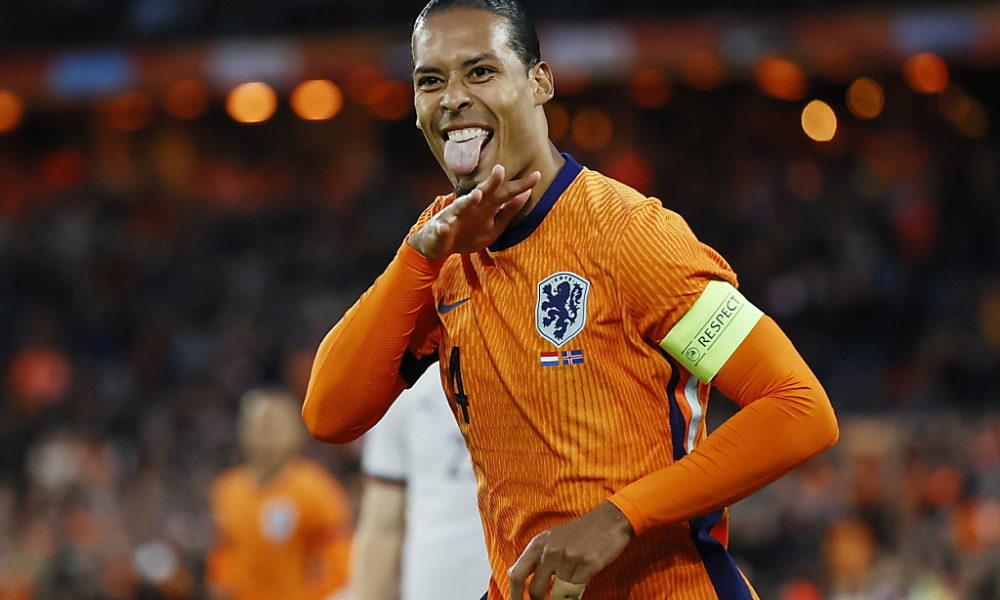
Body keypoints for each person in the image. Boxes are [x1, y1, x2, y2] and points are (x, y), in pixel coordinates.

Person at [302, 0, 840, 598]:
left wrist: (618, 517)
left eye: (480, 71)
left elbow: (798, 409)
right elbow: (329, 416)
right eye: (431, 80)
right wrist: (418, 260)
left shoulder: (630, 236)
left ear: (539, 82)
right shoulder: (440, 252)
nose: (452, 97)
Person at [352, 368, 491, 600]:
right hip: (444, 584)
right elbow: (382, 524)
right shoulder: (401, 387)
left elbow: (383, 524)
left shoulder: (402, 382)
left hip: (443, 581)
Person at [208, 390, 352, 600]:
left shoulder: (316, 490)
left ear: (295, 431)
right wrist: (221, 583)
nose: (265, 430)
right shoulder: (227, 490)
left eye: (274, 422)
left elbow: (339, 562)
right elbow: (223, 554)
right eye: (258, 423)